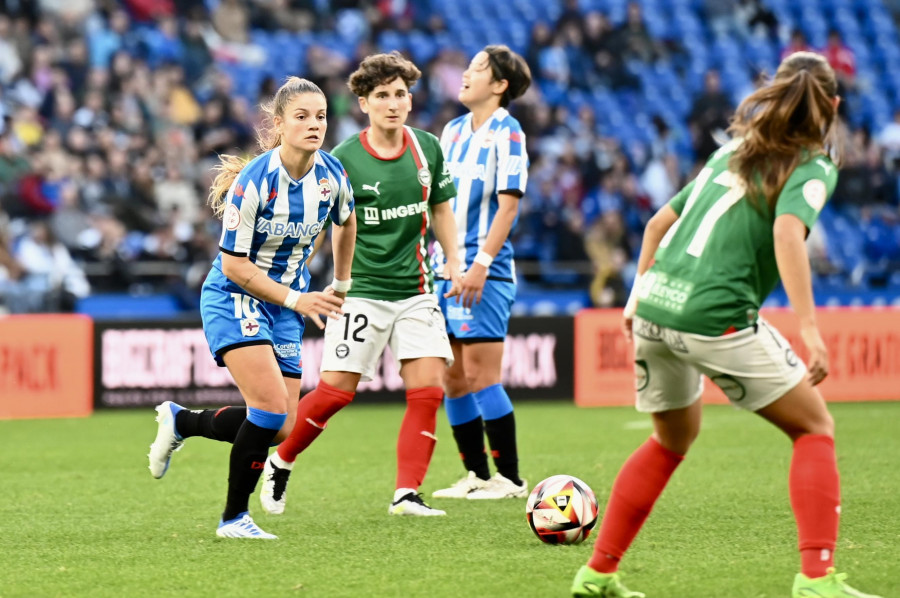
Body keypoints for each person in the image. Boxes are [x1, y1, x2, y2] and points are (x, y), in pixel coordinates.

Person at [571, 52, 883, 598]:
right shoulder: (811, 164)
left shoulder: (732, 151)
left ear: (773, 94)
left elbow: (655, 223)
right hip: (713, 317)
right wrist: (810, 330)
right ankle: (817, 581)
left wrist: (637, 293)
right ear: (832, 106)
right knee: (814, 428)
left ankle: (596, 574)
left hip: (656, 307)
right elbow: (789, 236)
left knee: (671, 440)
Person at [146, 76, 356, 540]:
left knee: (281, 427)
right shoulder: (254, 181)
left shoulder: (332, 174)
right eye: (301, 116)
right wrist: (299, 298)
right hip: (234, 296)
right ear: (278, 124)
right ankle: (233, 519)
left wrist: (341, 281)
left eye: (320, 116)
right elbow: (235, 266)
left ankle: (183, 420)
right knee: (266, 407)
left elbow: (346, 220)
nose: (314, 124)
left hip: (284, 306)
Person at [259, 52, 462, 518]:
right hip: (362, 292)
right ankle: (281, 459)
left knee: (429, 390)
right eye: (382, 96)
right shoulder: (343, 158)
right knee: (336, 392)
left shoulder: (427, 148)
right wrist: (331, 280)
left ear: (410, 100)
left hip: (416, 289)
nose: (393, 104)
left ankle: (406, 494)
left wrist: (454, 258)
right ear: (364, 103)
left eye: (400, 95)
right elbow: (331, 222)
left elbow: (442, 209)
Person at [429, 45, 533, 500]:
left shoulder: (509, 133)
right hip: (443, 268)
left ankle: (509, 478)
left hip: (482, 271)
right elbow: (438, 203)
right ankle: (476, 475)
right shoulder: (450, 132)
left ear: (499, 85)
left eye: (476, 68)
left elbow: (508, 206)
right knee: (452, 374)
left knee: (481, 374)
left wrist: (480, 264)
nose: (465, 74)